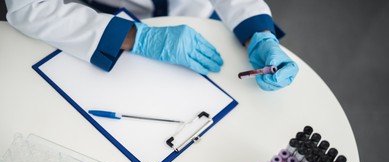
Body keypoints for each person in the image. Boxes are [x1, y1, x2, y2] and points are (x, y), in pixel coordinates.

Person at [5, 0, 298, 91]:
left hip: (196, 15)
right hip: (117, 28)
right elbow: (30, 8)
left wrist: (258, 33)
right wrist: (137, 37)